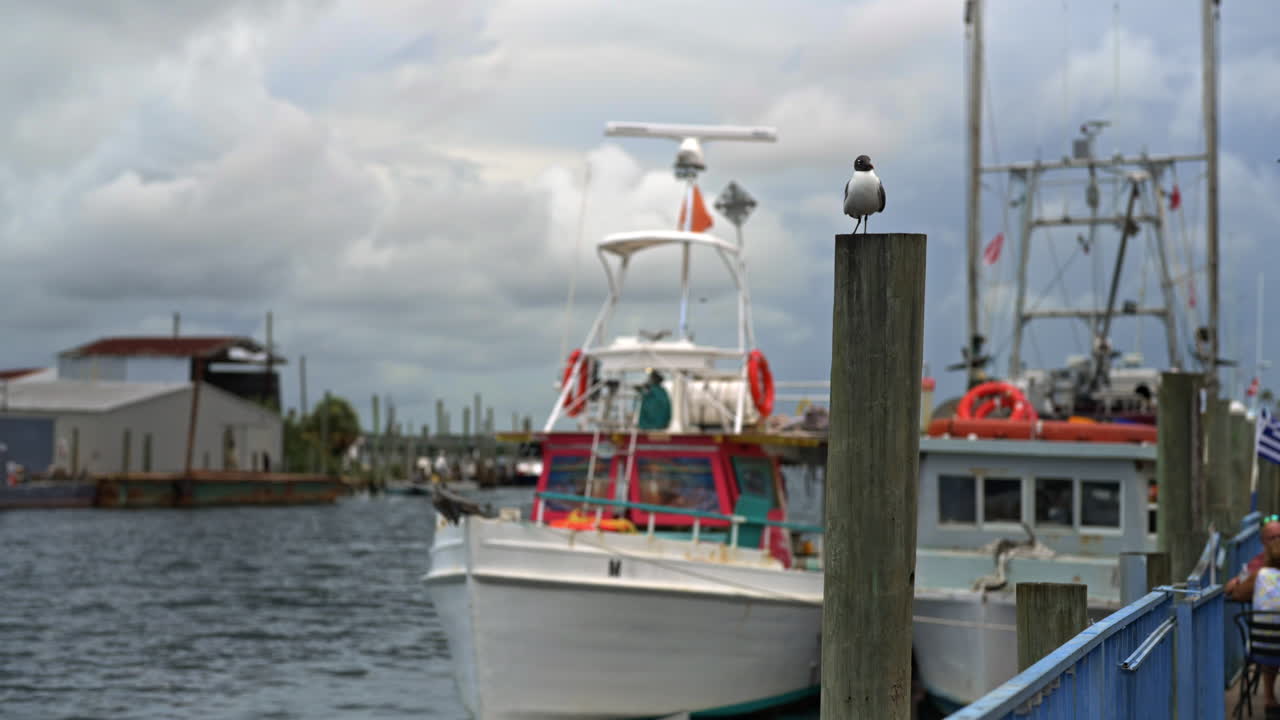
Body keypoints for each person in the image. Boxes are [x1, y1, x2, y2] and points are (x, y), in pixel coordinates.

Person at [1226, 518, 1280, 710]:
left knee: (1270, 635)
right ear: (1263, 540)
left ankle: (1269, 698)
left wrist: (1235, 585)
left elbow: (1237, 593)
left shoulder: (1259, 575)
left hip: (1262, 646)